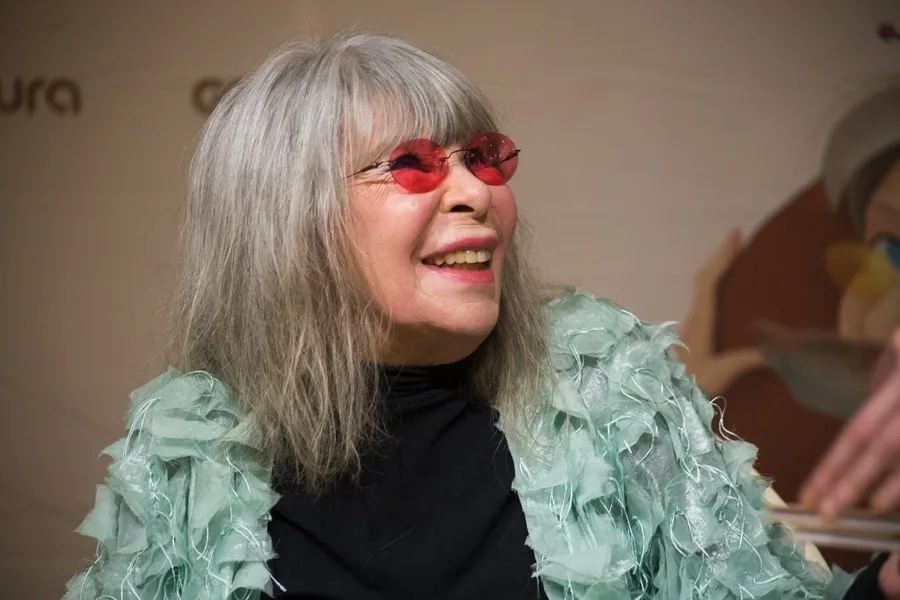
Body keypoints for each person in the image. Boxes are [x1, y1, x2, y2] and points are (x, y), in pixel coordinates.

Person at [62, 32, 898, 600]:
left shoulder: (615, 391)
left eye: (482, 157)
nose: (476, 191)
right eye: (412, 167)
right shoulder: (184, 445)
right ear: (289, 221)